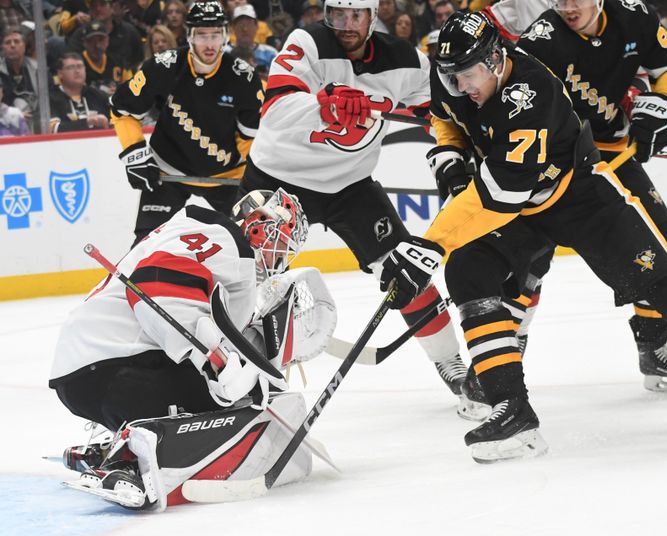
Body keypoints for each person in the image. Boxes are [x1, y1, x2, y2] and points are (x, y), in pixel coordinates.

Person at [379, 11, 667, 462]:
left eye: (468, 75)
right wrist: (448, 155)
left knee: (666, 285)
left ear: (496, 58)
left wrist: (431, 243)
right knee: (468, 271)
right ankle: (512, 410)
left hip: (576, 194)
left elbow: (500, 192)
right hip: (517, 207)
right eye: (451, 76)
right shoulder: (453, 78)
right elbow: (446, 119)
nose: (461, 86)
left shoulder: (530, 90)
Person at [240, 0, 490, 420]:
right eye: (338, 14)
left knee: (405, 269)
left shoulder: (406, 61)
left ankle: (452, 365)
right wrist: (325, 103)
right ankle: (238, 379)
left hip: (350, 186)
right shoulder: (307, 44)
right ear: (325, 14)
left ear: (374, 17)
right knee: (242, 277)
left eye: (357, 15)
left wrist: (469, 140)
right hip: (277, 179)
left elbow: (447, 104)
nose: (347, 25)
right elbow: (276, 112)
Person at [51, 188, 335, 510]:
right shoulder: (226, 239)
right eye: (281, 246)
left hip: (85, 371)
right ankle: (129, 461)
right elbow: (154, 282)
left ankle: (112, 446)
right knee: (238, 399)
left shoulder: (193, 231)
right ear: (260, 227)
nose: (279, 260)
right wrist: (213, 358)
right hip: (115, 366)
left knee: (234, 387)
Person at [509, 0, 667, 394]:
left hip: (608, 151)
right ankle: (498, 356)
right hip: (550, 158)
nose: (568, 7)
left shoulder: (632, 15)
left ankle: (655, 345)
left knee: (655, 233)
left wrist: (662, 106)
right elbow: (514, 107)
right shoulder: (541, 42)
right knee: (527, 255)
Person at [110, 0, 265, 244]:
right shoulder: (165, 66)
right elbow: (123, 109)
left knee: (261, 241)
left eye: (216, 35)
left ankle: (274, 282)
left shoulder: (243, 77)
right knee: (146, 246)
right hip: (168, 168)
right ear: (189, 36)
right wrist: (135, 153)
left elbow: (251, 137)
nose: (210, 44)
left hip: (228, 175)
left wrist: (253, 180)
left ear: (225, 35)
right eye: (202, 35)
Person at [49, 52, 111, 132]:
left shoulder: (99, 96)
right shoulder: (50, 99)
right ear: (60, 74)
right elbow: (53, 129)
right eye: (71, 67)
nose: (77, 71)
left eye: (80, 66)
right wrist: (87, 122)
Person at [80, 20, 132, 96]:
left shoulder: (119, 62)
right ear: (84, 43)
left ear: (107, 40)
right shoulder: (77, 64)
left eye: (101, 40)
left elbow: (133, 89)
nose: (97, 45)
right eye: (91, 41)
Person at [224, 4, 279, 73]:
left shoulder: (270, 53)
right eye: (240, 24)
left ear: (257, 26)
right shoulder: (223, 53)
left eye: (249, 24)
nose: (245, 29)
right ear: (233, 27)